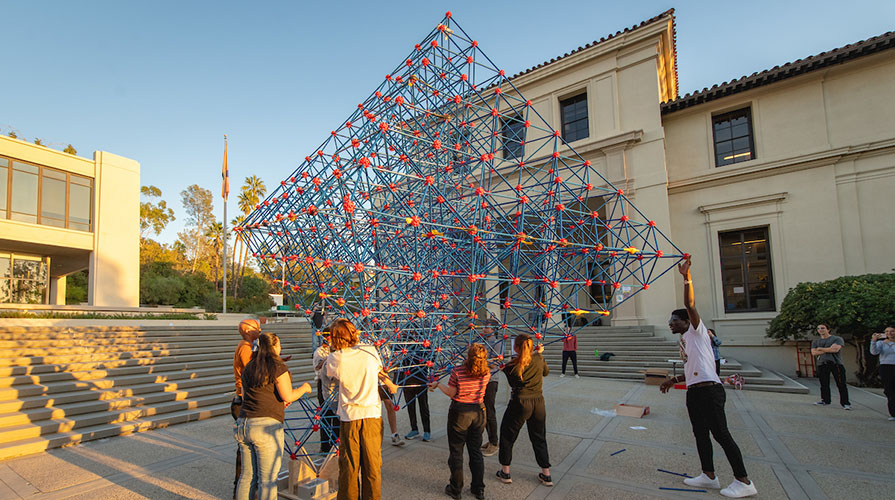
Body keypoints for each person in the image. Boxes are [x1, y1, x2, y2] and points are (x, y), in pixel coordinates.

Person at [660, 256, 757, 498]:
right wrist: (673, 381)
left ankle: (744, 481)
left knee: (721, 434)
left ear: (686, 322)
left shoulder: (697, 332)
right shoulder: (684, 341)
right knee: (700, 433)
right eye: (670, 321)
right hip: (695, 391)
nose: (670, 324)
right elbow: (693, 368)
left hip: (709, 391)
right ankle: (709, 475)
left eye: (674, 321)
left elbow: (691, 305)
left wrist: (686, 278)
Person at [325, 318, 398, 500]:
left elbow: (329, 374)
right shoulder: (370, 350)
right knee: (372, 466)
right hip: (372, 415)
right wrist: (389, 382)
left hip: (350, 417)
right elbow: (378, 371)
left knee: (349, 467)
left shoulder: (335, 358)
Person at [235, 332, 312, 500]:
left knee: (247, 476)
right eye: (279, 344)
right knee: (267, 480)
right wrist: (305, 388)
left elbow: (249, 395)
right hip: (266, 427)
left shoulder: (250, 366)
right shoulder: (277, 366)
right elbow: (288, 396)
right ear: (274, 346)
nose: (280, 347)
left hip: (244, 423)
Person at [430, 343, 491, 500]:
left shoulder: (458, 371)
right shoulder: (486, 372)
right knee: (475, 451)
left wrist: (438, 384)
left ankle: (456, 489)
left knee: (456, 451)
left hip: (460, 412)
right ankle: (478, 489)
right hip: (478, 411)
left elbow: (452, 393)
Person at [496, 333, 553, 487]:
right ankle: (546, 473)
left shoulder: (512, 365)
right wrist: (539, 355)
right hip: (538, 402)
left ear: (516, 347)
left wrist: (504, 369)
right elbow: (546, 372)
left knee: (507, 435)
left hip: (520, 402)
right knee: (539, 437)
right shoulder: (538, 358)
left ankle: (505, 471)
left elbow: (514, 383)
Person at [231, 319, 260, 500]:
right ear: (248, 331)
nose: (260, 331)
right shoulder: (245, 347)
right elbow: (251, 369)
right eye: (257, 329)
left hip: (244, 399)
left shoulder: (247, 346)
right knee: (247, 450)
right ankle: (242, 490)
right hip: (244, 400)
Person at [811, 324, 851, 409]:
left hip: (836, 363)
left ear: (828, 329)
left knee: (841, 384)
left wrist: (820, 349)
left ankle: (845, 403)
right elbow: (814, 353)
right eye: (818, 328)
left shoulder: (836, 339)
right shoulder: (816, 342)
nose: (820, 330)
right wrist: (828, 349)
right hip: (822, 364)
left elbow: (835, 349)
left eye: (823, 328)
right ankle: (825, 400)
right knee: (824, 384)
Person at [314, 327, 339, 453]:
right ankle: (325, 446)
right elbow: (318, 367)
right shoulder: (320, 351)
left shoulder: (336, 350)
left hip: (335, 385)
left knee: (336, 416)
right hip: (323, 384)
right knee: (325, 416)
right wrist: (329, 357)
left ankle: (336, 444)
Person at [403, 343, 431, 442]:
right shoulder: (403, 342)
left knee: (423, 406)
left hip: (421, 380)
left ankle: (427, 431)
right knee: (410, 407)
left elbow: (431, 357)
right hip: (407, 381)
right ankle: (414, 429)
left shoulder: (424, 344)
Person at [480, 320, 500, 457]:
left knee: (490, 412)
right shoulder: (481, 342)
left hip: (491, 381)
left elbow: (496, 363)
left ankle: (494, 442)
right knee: (484, 411)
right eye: (484, 326)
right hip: (481, 380)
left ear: (493, 329)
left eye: (487, 327)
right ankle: (490, 440)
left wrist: (478, 361)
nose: (484, 329)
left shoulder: (497, 343)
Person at [870, 326, 895, 420]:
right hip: (886, 367)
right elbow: (874, 352)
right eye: (887, 331)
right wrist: (873, 341)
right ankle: (893, 413)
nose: (890, 333)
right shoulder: (881, 343)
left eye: (892, 331)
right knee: (889, 390)